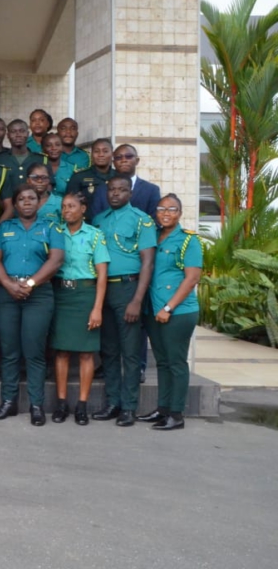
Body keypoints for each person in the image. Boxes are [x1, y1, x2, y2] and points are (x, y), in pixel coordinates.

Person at [0, 184, 65, 425]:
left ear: (39, 201)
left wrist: (31, 283)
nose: (27, 202)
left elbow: (56, 260)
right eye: (21, 199)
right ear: (16, 203)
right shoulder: (5, 228)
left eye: (32, 198)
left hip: (39, 295)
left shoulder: (51, 227)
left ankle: (36, 404)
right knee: (9, 351)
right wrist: (8, 284)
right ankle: (8, 402)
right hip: (7, 294)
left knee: (34, 352)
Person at [90, 176, 156, 426]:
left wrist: (137, 300)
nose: (115, 194)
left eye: (122, 190)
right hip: (102, 291)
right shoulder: (99, 220)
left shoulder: (142, 220)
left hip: (128, 289)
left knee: (130, 353)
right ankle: (113, 402)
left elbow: (148, 261)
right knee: (108, 350)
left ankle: (129, 406)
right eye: (112, 190)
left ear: (130, 193)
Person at [141, 194, 201, 431]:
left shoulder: (188, 241)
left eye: (172, 209)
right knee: (163, 363)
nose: (166, 213)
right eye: (161, 209)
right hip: (154, 310)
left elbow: (192, 278)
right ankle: (162, 409)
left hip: (177, 312)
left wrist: (169, 307)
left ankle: (176, 414)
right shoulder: (154, 236)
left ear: (180, 213)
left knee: (176, 363)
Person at [51, 192, 109, 425]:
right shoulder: (55, 233)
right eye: (64, 206)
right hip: (61, 295)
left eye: (72, 206)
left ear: (83, 209)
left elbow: (102, 275)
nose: (67, 210)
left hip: (86, 294)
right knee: (62, 351)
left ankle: (82, 405)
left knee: (86, 353)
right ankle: (62, 403)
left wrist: (97, 308)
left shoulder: (95, 235)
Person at [88, 144, 162, 221]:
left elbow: (155, 221)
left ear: (137, 161)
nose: (124, 160)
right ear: (113, 163)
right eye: (118, 157)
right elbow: (95, 220)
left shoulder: (151, 190)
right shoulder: (102, 189)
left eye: (129, 156)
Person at [66, 138, 115, 219]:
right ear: (91, 154)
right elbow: (71, 204)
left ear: (112, 154)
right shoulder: (79, 177)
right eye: (96, 151)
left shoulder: (119, 177)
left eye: (105, 151)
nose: (101, 154)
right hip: (88, 226)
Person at [0, 119, 48, 187]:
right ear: (8, 135)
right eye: (13, 132)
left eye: (22, 131)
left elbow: (48, 186)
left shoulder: (41, 160)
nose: (18, 135)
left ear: (28, 134)